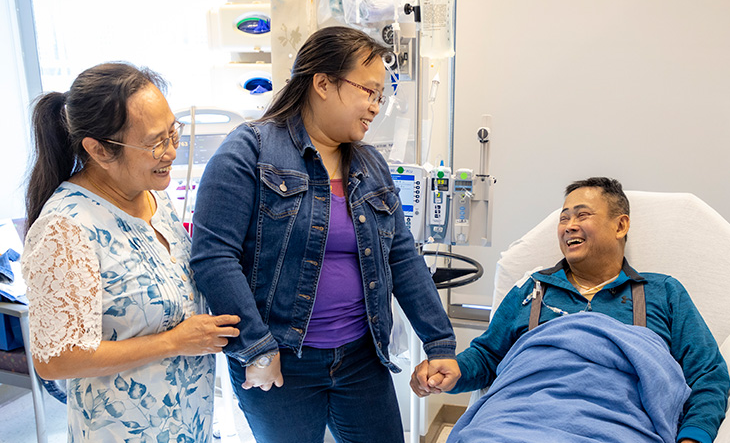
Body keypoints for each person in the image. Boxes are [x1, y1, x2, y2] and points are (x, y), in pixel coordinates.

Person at [190, 26, 459, 443]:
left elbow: (402, 258)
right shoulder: (249, 152)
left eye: (380, 97)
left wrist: (439, 343)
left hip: (361, 359)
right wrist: (257, 348)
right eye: (368, 92)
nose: (375, 107)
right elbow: (213, 257)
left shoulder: (371, 165)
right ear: (322, 83)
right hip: (283, 360)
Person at [411, 177, 729, 443]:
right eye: (564, 218)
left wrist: (693, 437)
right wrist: (454, 370)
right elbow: (488, 356)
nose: (568, 226)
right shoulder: (532, 289)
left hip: (618, 428)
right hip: (512, 423)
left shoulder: (662, 292)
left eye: (581, 215)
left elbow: (709, 375)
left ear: (620, 225)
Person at [21, 62, 241, 442]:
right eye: (157, 141)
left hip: (186, 422)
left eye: (174, 132)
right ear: (98, 149)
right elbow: (56, 360)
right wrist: (174, 342)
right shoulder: (66, 228)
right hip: (121, 429)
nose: (172, 151)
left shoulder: (154, 197)